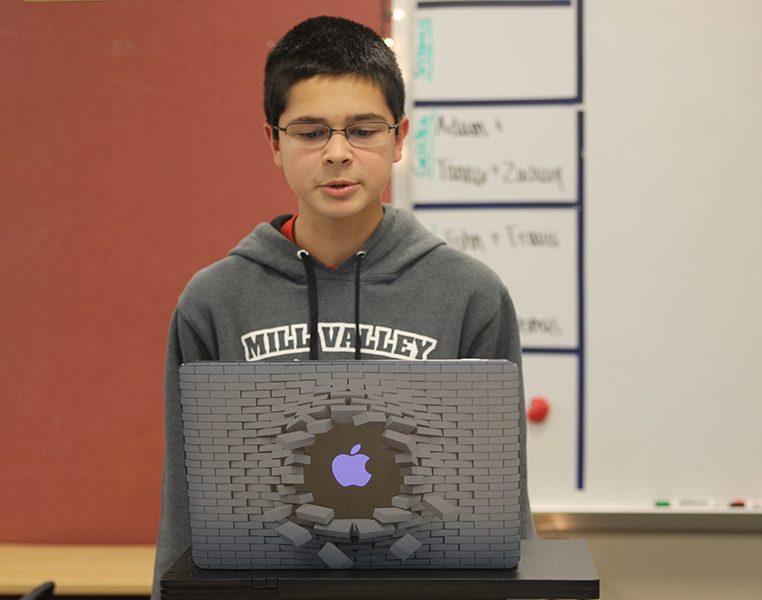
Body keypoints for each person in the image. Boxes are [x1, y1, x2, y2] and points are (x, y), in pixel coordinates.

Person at [152, 15, 535, 597]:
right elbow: (185, 507)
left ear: (400, 138)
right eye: (310, 132)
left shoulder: (470, 295)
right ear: (273, 142)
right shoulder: (214, 300)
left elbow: (501, 502)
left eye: (363, 129)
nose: (337, 153)